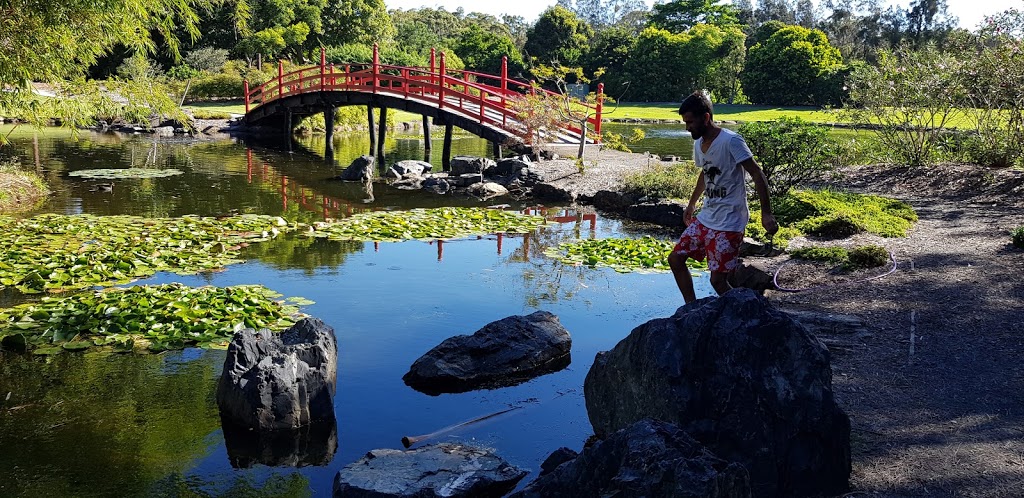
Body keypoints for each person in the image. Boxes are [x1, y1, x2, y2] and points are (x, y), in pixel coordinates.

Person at [668, 91, 778, 303]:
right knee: (676, 258)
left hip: (730, 221)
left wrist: (766, 214)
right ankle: (691, 309)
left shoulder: (731, 141)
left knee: (718, 281)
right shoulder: (699, 144)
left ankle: (747, 311)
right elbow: (705, 172)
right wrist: (691, 204)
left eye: (690, 122)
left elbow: (757, 173)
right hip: (707, 217)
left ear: (706, 118)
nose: (687, 127)